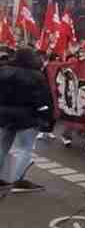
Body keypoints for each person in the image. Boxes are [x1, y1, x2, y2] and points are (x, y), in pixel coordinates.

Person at [0, 47, 53, 191]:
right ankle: (18, 181)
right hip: (27, 116)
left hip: (4, 114)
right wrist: (47, 118)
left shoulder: (3, 71)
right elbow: (42, 100)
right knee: (25, 149)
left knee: (2, 147)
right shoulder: (36, 75)